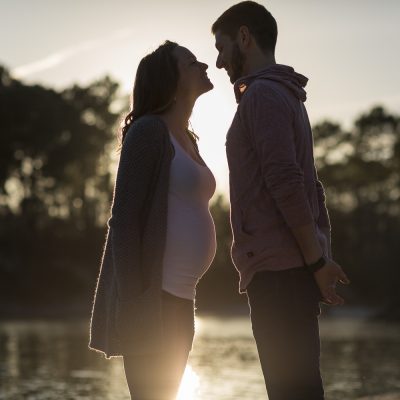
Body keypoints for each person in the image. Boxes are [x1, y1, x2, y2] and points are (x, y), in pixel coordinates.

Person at [212, 2, 350, 399]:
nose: (219, 62)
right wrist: (317, 256)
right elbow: (309, 185)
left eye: (221, 48)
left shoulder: (263, 97)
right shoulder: (284, 95)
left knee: (292, 391)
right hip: (290, 268)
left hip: (280, 272)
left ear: (244, 37)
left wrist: (317, 260)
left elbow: (288, 183)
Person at [88, 40, 216, 400]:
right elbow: (124, 220)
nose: (203, 65)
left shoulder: (187, 138)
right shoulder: (148, 132)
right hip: (152, 301)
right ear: (170, 79)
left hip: (181, 298)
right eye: (192, 63)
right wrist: (135, 299)